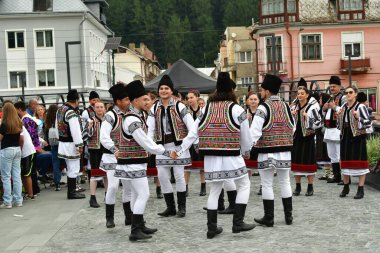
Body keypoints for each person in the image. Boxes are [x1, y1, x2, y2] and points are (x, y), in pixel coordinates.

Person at [175, 72, 255, 238]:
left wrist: (180, 149)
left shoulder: (206, 109)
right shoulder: (237, 109)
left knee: (215, 190)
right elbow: (245, 136)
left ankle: (212, 228)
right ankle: (237, 222)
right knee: (245, 185)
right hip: (232, 155)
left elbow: (192, 133)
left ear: (216, 89)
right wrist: (246, 151)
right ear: (231, 90)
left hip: (211, 157)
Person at [114, 80, 168, 241]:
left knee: (137, 195)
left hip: (132, 162)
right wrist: (163, 150)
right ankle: (135, 230)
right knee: (143, 194)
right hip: (132, 162)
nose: (148, 102)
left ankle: (139, 225)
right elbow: (144, 141)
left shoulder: (136, 116)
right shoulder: (132, 119)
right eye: (144, 99)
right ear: (135, 101)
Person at [147, 75, 195, 218]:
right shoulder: (154, 107)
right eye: (161, 88)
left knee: (179, 176)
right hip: (161, 147)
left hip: (178, 145)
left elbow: (192, 128)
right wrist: (150, 145)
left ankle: (181, 207)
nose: (163, 90)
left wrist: (183, 147)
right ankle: (170, 207)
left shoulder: (180, 106)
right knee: (162, 176)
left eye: (166, 88)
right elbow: (150, 129)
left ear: (171, 90)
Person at [250, 74, 294, 227]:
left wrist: (249, 146)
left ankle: (269, 217)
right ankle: (289, 217)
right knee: (285, 181)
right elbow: (292, 127)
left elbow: (254, 131)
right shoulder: (286, 106)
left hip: (266, 150)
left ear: (268, 91)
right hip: (285, 150)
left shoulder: (263, 107)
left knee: (267, 183)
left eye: (262, 90)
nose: (261, 92)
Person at [100, 83, 132, 228]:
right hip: (112, 156)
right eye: (126, 99)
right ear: (118, 102)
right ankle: (109, 217)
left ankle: (128, 217)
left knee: (128, 186)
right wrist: (115, 149)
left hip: (126, 156)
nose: (128, 101)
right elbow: (103, 137)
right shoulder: (110, 116)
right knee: (112, 186)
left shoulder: (130, 113)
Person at [338, 87, 371, 199]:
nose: (348, 94)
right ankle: (346, 186)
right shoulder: (343, 107)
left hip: (358, 136)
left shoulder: (360, 107)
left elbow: (368, 123)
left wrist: (358, 117)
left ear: (355, 94)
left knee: (360, 162)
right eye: (346, 93)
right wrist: (338, 118)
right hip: (345, 135)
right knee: (345, 162)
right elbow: (339, 125)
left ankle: (360, 189)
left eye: (350, 92)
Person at [291, 86, 321, 196]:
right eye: (298, 93)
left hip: (308, 137)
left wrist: (308, 117)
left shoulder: (312, 108)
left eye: (302, 93)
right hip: (297, 137)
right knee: (297, 162)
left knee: (309, 162)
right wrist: (292, 116)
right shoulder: (294, 107)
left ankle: (310, 186)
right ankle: (298, 186)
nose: (300, 95)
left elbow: (319, 123)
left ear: (307, 95)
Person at [56, 89, 85, 199]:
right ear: (76, 100)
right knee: (73, 167)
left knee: (70, 167)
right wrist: (79, 145)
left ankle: (71, 191)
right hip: (71, 143)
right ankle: (72, 192)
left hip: (63, 142)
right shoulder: (71, 112)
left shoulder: (60, 109)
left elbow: (57, 125)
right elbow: (75, 130)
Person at [14, 101, 41, 197]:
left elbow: (27, 136)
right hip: (32, 147)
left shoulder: (25, 120)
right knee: (31, 172)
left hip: (28, 149)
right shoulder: (29, 118)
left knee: (28, 173)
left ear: (19, 109)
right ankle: (34, 191)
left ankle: (32, 192)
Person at [0, 103, 24, 208]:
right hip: (17, 149)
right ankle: (18, 200)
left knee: (6, 177)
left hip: (7, 150)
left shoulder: (4, 124)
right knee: (17, 176)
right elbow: (21, 138)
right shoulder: (18, 122)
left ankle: (7, 201)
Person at [323, 76, 346, 184]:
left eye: (334, 86)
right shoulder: (330, 98)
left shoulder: (343, 98)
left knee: (340, 154)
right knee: (332, 154)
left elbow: (346, 111)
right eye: (331, 86)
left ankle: (345, 178)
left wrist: (334, 107)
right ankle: (336, 175)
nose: (332, 88)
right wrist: (324, 108)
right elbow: (325, 113)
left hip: (337, 130)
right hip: (329, 130)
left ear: (339, 86)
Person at [84, 101, 108, 208]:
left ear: (104, 109)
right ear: (94, 109)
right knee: (94, 174)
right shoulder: (91, 120)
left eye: (101, 107)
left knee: (106, 174)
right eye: (97, 107)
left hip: (106, 150)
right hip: (94, 150)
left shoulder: (108, 120)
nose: (99, 109)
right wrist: (89, 127)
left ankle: (107, 196)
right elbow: (85, 136)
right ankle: (92, 198)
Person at [185, 89, 206, 197]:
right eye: (188, 98)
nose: (189, 100)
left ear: (197, 97)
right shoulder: (185, 111)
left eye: (191, 97)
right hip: (189, 141)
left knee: (202, 165)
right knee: (187, 166)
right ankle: (185, 187)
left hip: (201, 141)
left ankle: (203, 186)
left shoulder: (203, 111)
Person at [145, 91, 163, 199]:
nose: (146, 102)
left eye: (148, 100)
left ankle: (158, 188)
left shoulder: (157, 112)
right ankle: (144, 190)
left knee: (158, 167)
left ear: (153, 100)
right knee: (145, 168)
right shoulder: (140, 113)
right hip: (143, 143)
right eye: (145, 100)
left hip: (156, 141)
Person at [45, 104, 62, 191]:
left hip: (53, 144)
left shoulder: (48, 121)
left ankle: (57, 183)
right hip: (62, 143)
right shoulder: (59, 119)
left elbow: (45, 134)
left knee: (55, 163)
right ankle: (73, 181)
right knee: (67, 161)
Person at [317, 93, 332, 180]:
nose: (319, 101)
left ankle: (332, 173)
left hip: (327, 132)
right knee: (324, 153)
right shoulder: (321, 108)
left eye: (321, 99)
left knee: (329, 152)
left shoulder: (329, 109)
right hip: (321, 133)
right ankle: (327, 172)